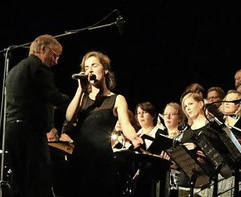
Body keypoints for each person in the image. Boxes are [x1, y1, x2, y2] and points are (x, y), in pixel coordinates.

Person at [65, 51, 142, 196]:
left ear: (105, 69)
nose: (90, 70)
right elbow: (69, 117)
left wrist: (134, 137)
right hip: (80, 159)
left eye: (94, 65)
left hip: (102, 160)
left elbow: (125, 125)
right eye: (86, 68)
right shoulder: (82, 98)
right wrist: (80, 90)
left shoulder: (117, 99)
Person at [5, 34, 71, 197]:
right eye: (55, 55)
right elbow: (52, 96)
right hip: (31, 133)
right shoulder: (39, 67)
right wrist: (71, 101)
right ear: (43, 49)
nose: (56, 61)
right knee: (38, 182)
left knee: (18, 183)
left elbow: (29, 97)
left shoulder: (13, 71)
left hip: (11, 130)